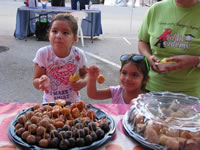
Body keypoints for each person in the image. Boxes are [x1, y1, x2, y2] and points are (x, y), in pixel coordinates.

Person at [138, 0, 200, 98]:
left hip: (192, 94)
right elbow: (143, 41)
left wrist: (195, 60)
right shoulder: (157, 9)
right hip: (152, 88)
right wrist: (148, 57)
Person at [33, 13, 88, 103]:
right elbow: (35, 81)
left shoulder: (78, 55)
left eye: (65, 32)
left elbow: (85, 73)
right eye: (54, 31)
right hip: (50, 106)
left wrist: (83, 82)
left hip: (73, 105)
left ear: (74, 39)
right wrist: (41, 81)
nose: (58, 36)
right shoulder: (43, 54)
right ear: (49, 34)